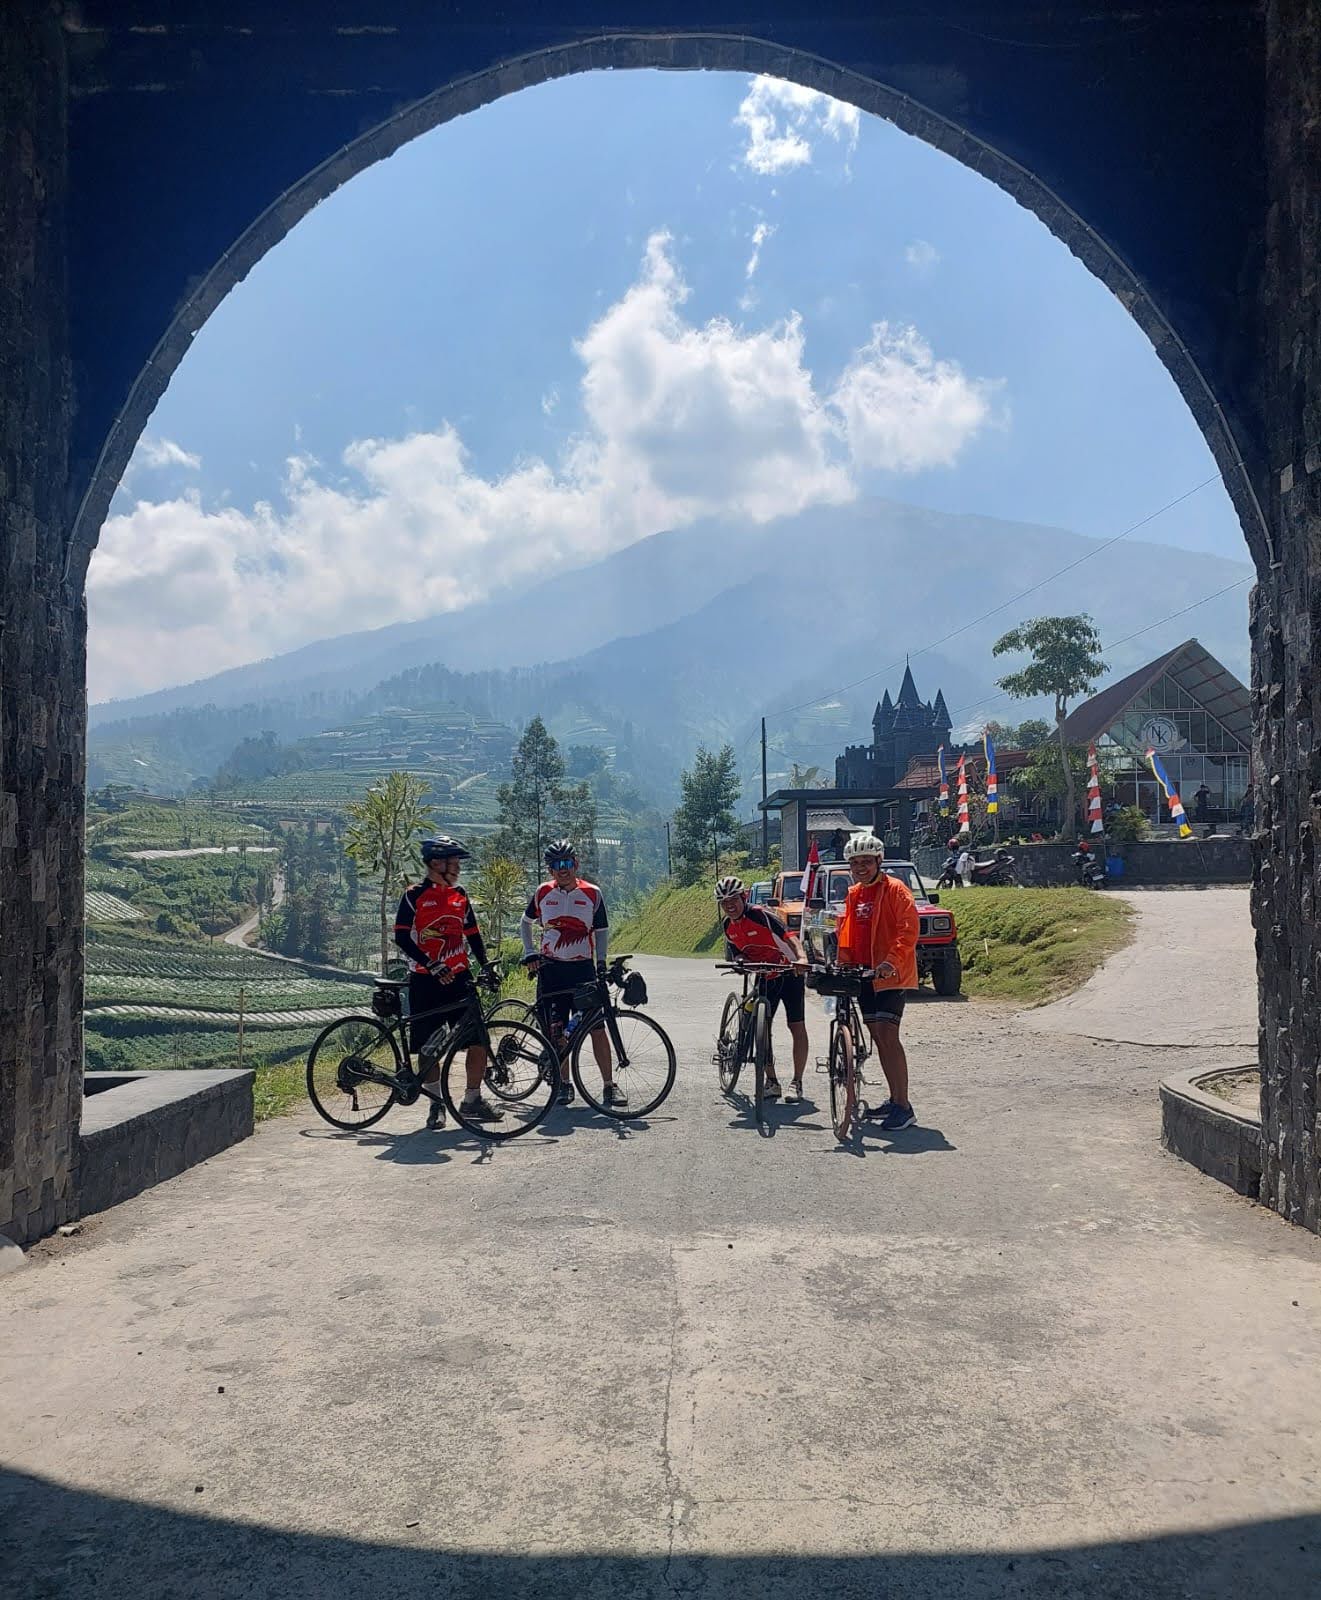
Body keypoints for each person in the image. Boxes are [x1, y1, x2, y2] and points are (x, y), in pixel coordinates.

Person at [393, 836, 504, 1129]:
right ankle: (436, 1104)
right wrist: (431, 963)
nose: (457, 868)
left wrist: (486, 965)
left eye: (457, 863)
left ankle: (472, 1100)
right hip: (424, 980)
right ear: (434, 864)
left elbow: (473, 935)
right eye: (452, 863)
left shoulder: (460, 895)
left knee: (478, 1040)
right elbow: (402, 937)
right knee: (429, 1048)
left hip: (459, 978)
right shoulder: (413, 895)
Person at [521, 838, 625, 1108]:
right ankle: (563, 1084)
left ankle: (609, 1085)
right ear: (550, 869)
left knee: (597, 1028)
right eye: (556, 865)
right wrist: (529, 951)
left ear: (576, 864)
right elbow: (525, 922)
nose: (562, 869)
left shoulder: (592, 893)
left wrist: (601, 964)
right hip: (551, 969)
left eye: (566, 863)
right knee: (556, 1030)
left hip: (582, 969)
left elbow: (601, 931)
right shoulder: (543, 892)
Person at [834, 830, 920, 1132]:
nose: (861, 867)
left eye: (866, 862)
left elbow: (908, 931)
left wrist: (889, 962)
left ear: (878, 861)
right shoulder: (854, 894)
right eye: (855, 862)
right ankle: (895, 1100)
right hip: (864, 975)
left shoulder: (896, 890)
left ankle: (904, 1106)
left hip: (891, 975)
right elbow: (847, 933)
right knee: (879, 1038)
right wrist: (841, 964)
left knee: (888, 1036)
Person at [715, 874, 810, 1102]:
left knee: (796, 1025)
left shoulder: (761, 915)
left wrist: (802, 957)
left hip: (789, 973)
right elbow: (736, 951)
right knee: (762, 1027)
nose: (730, 906)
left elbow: (790, 938)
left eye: (734, 900)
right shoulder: (728, 925)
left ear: (744, 897)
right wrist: (738, 961)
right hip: (764, 976)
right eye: (724, 903)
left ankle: (797, 1082)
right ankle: (771, 1081)